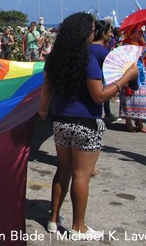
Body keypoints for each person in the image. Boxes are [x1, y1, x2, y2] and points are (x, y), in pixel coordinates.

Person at [38, 12, 138, 240]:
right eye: (92, 29)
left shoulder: (55, 57)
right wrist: (124, 79)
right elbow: (99, 96)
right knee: (81, 175)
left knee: (62, 170)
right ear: (84, 32)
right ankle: (78, 227)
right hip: (86, 123)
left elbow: (46, 88)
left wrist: (43, 109)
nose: (94, 33)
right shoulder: (88, 59)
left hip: (61, 120)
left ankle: (53, 220)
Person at [119, 26, 146, 133]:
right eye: (139, 32)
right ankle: (128, 121)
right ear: (131, 33)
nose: (141, 34)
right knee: (129, 97)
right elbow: (132, 57)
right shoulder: (125, 44)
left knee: (142, 96)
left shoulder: (142, 43)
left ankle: (139, 120)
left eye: (142, 32)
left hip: (141, 72)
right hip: (130, 71)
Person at [89, 20, 117, 120]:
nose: (111, 34)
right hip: (99, 82)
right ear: (103, 33)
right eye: (109, 32)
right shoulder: (102, 52)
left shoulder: (87, 47)